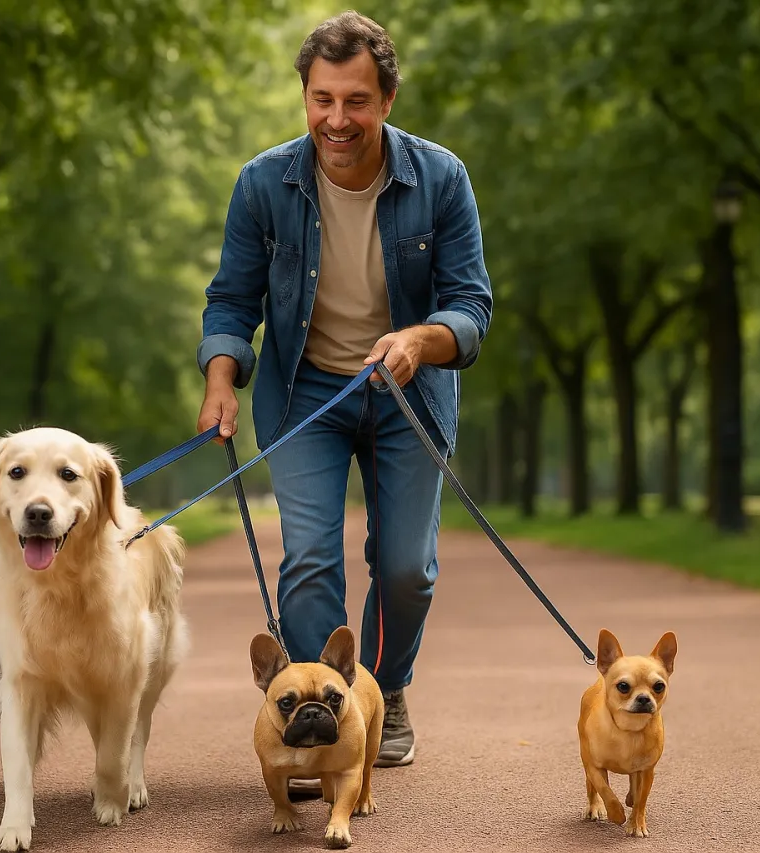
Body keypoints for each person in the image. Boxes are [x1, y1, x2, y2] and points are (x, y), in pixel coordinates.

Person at [195, 10, 492, 775]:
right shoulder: (263, 183)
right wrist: (223, 376)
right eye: (322, 99)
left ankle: (383, 691)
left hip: (409, 398)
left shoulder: (442, 177)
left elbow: (471, 308)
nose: (337, 118)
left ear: (387, 100)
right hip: (306, 397)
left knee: (406, 568)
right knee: (310, 563)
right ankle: (320, 718)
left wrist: (420, 339)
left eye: (355, 100)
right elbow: (231, 299)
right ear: (305, 97)